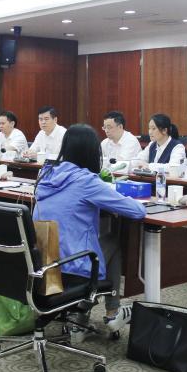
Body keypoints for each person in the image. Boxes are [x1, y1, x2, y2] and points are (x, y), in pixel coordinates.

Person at [34, 124, 146, 339]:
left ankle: (83, 318)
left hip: (42, 262)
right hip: (70, 266)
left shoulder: (45, 174)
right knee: (112, 241)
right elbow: (137, 211)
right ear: (92, 152)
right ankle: (110, 313)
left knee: (100, 242)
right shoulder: (86, 181)